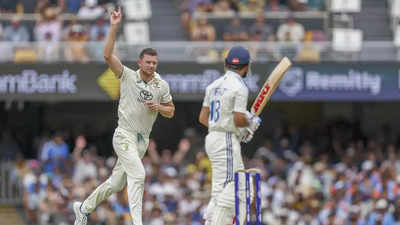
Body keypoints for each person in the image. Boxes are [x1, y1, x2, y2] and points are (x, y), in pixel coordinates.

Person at [73, 7, 175, 225]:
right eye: (147, 62)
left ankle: (83, 208)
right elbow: (107, 55)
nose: (151, 65)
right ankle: (137, 223)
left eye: (154, 62)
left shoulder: (161, 84)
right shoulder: (127, 76)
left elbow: (171, 111)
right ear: (140, 63)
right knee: (138, 175)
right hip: (124, 135)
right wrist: (114, 26)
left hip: (142, 141)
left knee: (115, 183)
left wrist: (158, 107)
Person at [198, 46, 261, 225]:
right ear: (246, 67)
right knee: (234, 184)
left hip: (213, 138)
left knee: (224, 188)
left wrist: (238, 131)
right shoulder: (240, 86)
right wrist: (250, 122)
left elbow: (204, 118)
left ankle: (210, 219)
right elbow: (239, 118)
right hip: (224, 139)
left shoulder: (213, 85)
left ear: (226, 64)